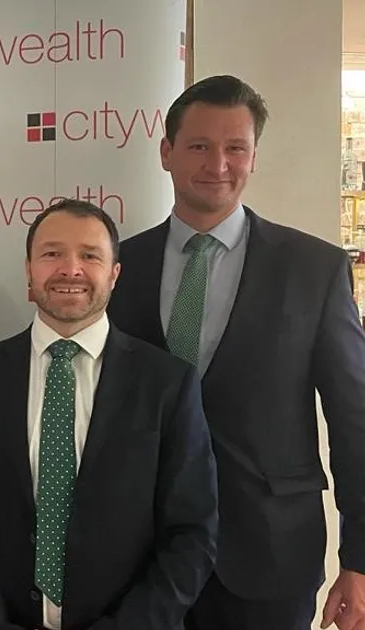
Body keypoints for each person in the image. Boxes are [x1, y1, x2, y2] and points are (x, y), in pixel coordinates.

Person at [107, 74, 365, 630]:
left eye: (236, 148)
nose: (217, 164)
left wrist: (360, 560)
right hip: (135, 558)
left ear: (254, 156)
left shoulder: (313, 269)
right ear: (167, 152)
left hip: (268, 555)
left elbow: (355, 421)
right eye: (199, 145)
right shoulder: (115, 270)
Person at [0, 200, 218, 630]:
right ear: (29, 270)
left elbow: (191, 533)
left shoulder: (168, 385)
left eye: (90, 255)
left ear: (114, 273)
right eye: (52, 254)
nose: (71, 269)